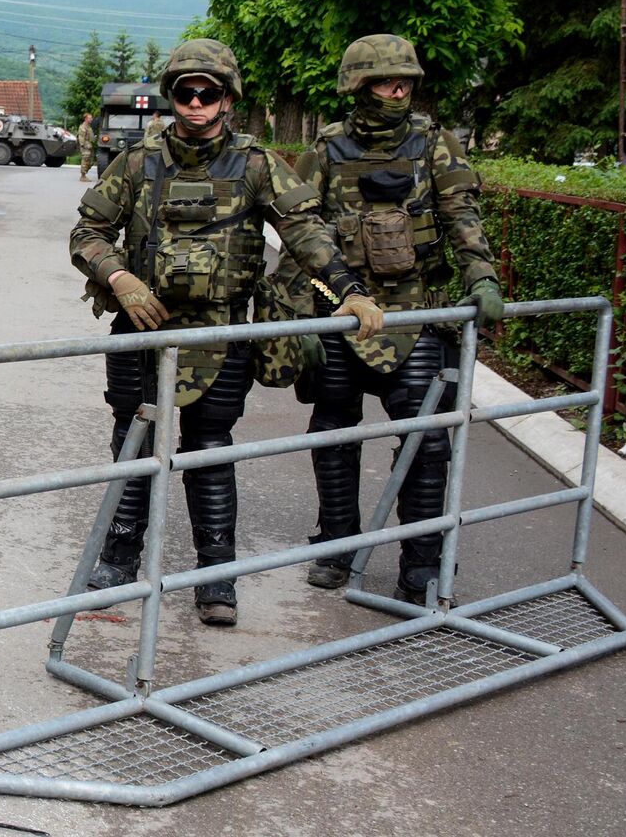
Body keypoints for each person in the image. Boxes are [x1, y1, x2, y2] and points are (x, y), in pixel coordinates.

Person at [68, 39, 382, 626]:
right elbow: (86, 233)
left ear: (227, 99)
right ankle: (118, 558)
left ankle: (216, 577)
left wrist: (350, 289)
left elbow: (305, 231)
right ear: (172, 96)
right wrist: (119, 276)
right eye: (185, 92)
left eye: (206, 93)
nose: (194, 103)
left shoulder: (256, 164)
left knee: (210, 449)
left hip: (221, 334)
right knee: (133, 444)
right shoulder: (137, 162)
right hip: (142, 330)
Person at [279, 34, 503, 603]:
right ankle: (337, 546)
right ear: (358, 86)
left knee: (427, 443)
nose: (398, 90)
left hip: (415, 315)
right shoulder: (327, 150)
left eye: (405, 81)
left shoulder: (435, 145)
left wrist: (482, 275)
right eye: (384, 81)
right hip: (340, 314)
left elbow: (463, 215)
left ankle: (421, 564)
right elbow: (299, 236)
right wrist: (293, 320)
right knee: (333, 436)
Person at [77, 113, 97, 182]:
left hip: (90, 146)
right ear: (86, 119)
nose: (91, 119)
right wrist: (84, 146)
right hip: (86, 147)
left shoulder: (89, 126)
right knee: (85, 160)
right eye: (90, 118)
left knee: (91, 161)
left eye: (91, 118)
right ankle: (83, 176)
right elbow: (81, 138)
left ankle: (84, 173)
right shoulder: (83, 127)